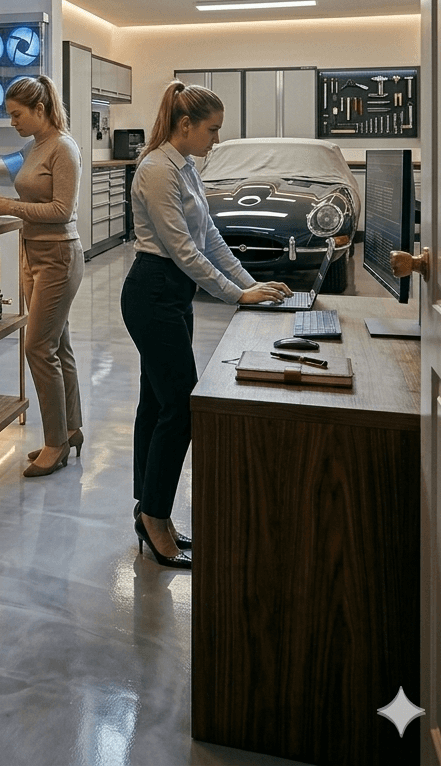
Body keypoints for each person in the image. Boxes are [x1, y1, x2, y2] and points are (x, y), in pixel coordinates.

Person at [121, 82, 291, 568]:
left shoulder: (187, 167)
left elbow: (211, 238)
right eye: (212, 130)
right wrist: (237, 295)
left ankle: (148, 509)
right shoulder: (156, 170)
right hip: (152, 291)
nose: (216, 139)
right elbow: (183, 250)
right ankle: (155, 517)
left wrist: (252, 283)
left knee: (156, 403)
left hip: (173, 294)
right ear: (186, 125)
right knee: (181, 408)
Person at [0, 75, 84, 478]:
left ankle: (55, 443)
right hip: (32, 253)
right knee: (59, 346)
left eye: (18, 115)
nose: (14, 122)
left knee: (37, 348)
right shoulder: (33, 146)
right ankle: (71, 429)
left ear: (40, 110)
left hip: (58, 255)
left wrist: (10, 206)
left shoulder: (64, 148)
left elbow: (62, 210)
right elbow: (1, 169)